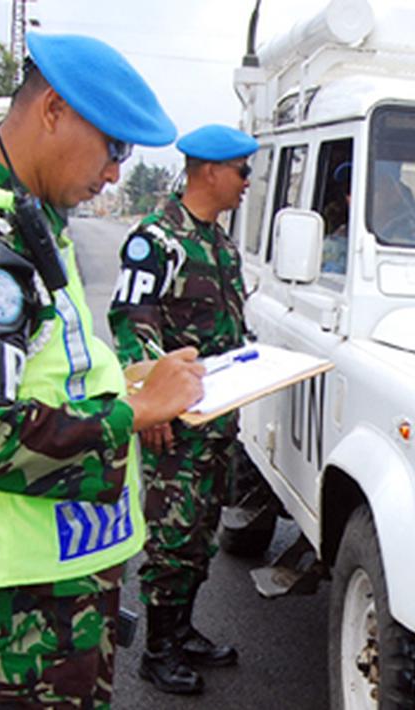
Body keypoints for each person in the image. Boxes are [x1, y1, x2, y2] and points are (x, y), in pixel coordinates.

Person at [0, 34, 204, 708]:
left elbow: (34, 367)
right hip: (26, 579)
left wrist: (133, 378)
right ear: (53, 110)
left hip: (46, 566)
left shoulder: (19, 216)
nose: (116, 173)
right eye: (113, 147)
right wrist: (135, 415)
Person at [107, 123, 254, 694]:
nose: (247, 183)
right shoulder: (157, 241)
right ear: (210, 171)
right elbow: (132, 324)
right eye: (242, 171)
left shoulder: (217, 243)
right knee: (172, 537)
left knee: (200, 533)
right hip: (176, 421)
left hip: (215, 417)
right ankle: (158, 650)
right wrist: (151, 405)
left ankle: (184, 628)